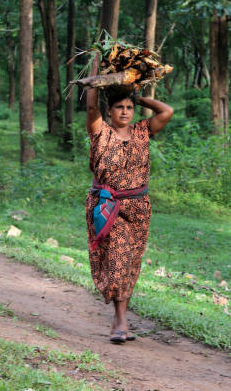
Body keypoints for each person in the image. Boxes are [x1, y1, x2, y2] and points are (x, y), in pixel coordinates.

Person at [85, 56, 173, 344]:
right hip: (109, 206)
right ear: (109, 111)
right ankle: (119, 322)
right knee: (118, 260)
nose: (125, 111)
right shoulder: (101, 133)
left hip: (139, 208)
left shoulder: (142, 131)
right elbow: (90, 105)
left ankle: (121, 317)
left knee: (130, 262)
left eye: (129, 107)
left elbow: (167, 110)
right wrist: (96, 78)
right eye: (119, 107)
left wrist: (137, 94)